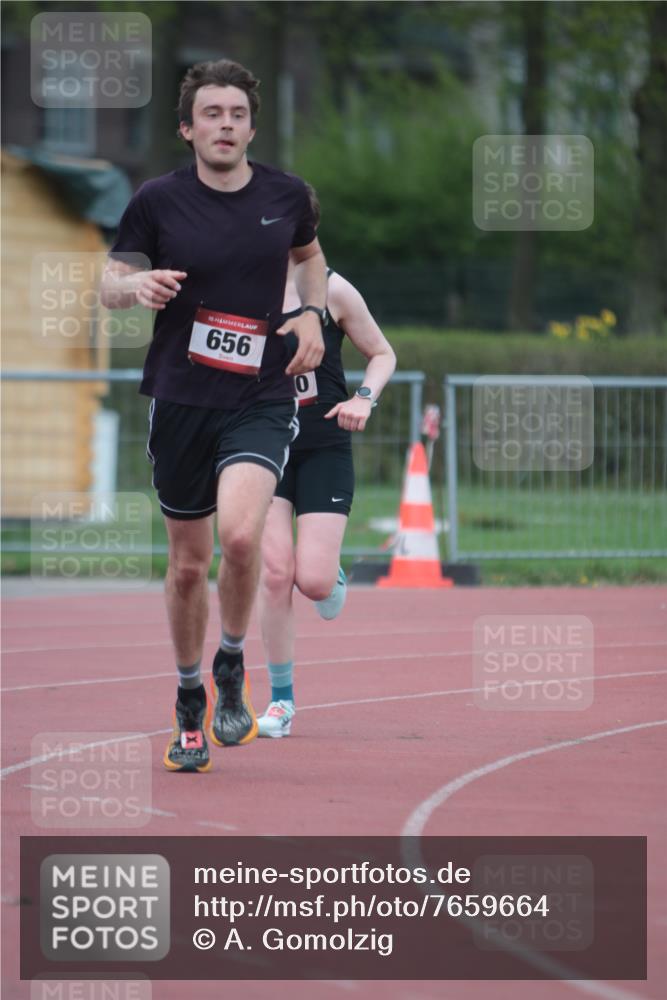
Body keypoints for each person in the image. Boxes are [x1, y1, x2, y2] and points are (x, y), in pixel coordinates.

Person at [100, 59, 327, 772]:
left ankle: (231, 662)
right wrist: (133, 283)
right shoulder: (156, 201)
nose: (224, 124)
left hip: (259, 396)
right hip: (179, 399)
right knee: (187, 564)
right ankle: (188, 696)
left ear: (251, 126)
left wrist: (313, 314)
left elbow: (310, 256)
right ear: (187, 127)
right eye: (211, 114)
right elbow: (108, 285)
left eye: (236, 113)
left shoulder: (287, 194)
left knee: (238, 536)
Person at [257, 186, 396, 738]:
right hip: (262, 445)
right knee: (274, 574)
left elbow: (383, 353)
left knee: (311, 583)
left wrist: (364, 397)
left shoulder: (334, 289)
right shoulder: (246, 290)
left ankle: (329, 570)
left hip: (322, 446)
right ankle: (282, 702)